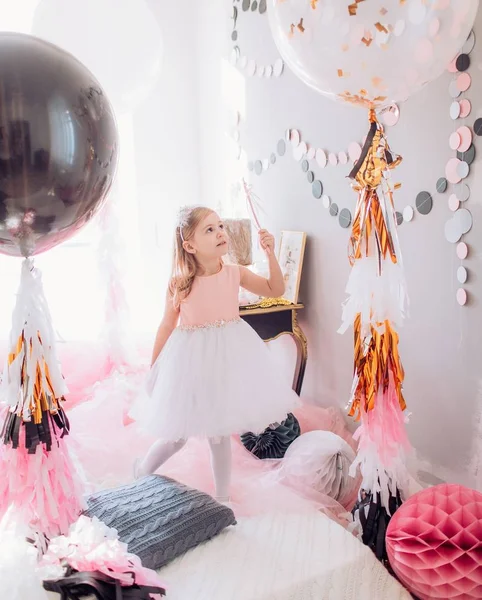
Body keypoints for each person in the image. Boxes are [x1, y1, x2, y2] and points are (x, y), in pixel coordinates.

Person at [130, 205, 299, 502]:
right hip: (191, 364)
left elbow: (275, 288)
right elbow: (166, 326)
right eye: (210, 229)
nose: (221, 232)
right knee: (176, 436)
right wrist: (154, 370)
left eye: (220, 226)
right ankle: (143, 469)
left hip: (228, 359)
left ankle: (223, 497)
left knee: (219, 434)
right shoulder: (180, 283)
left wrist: (270, 253)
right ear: (190, 245)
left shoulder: (235, 273)